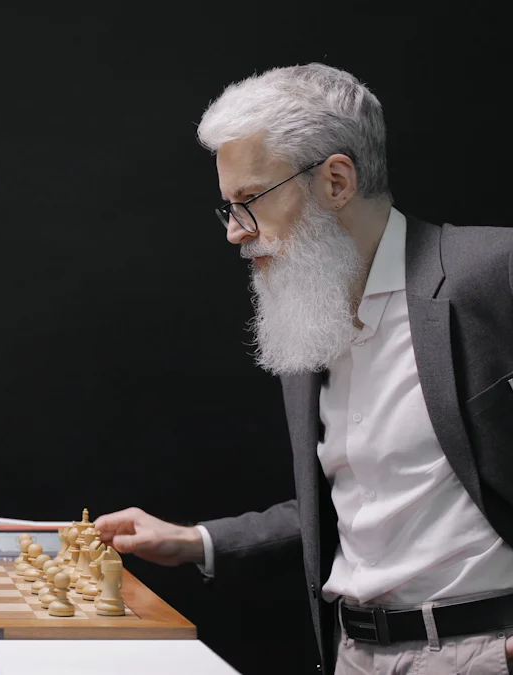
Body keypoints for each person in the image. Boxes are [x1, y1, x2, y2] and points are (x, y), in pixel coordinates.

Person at [94, 63, 513, 674]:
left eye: (248, 202)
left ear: (337, 182)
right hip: (352, 655)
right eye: (228, 208)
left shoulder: (494, 273)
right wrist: (196, 542)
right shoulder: (309, 318)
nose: (236, 234)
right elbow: (360, 501)